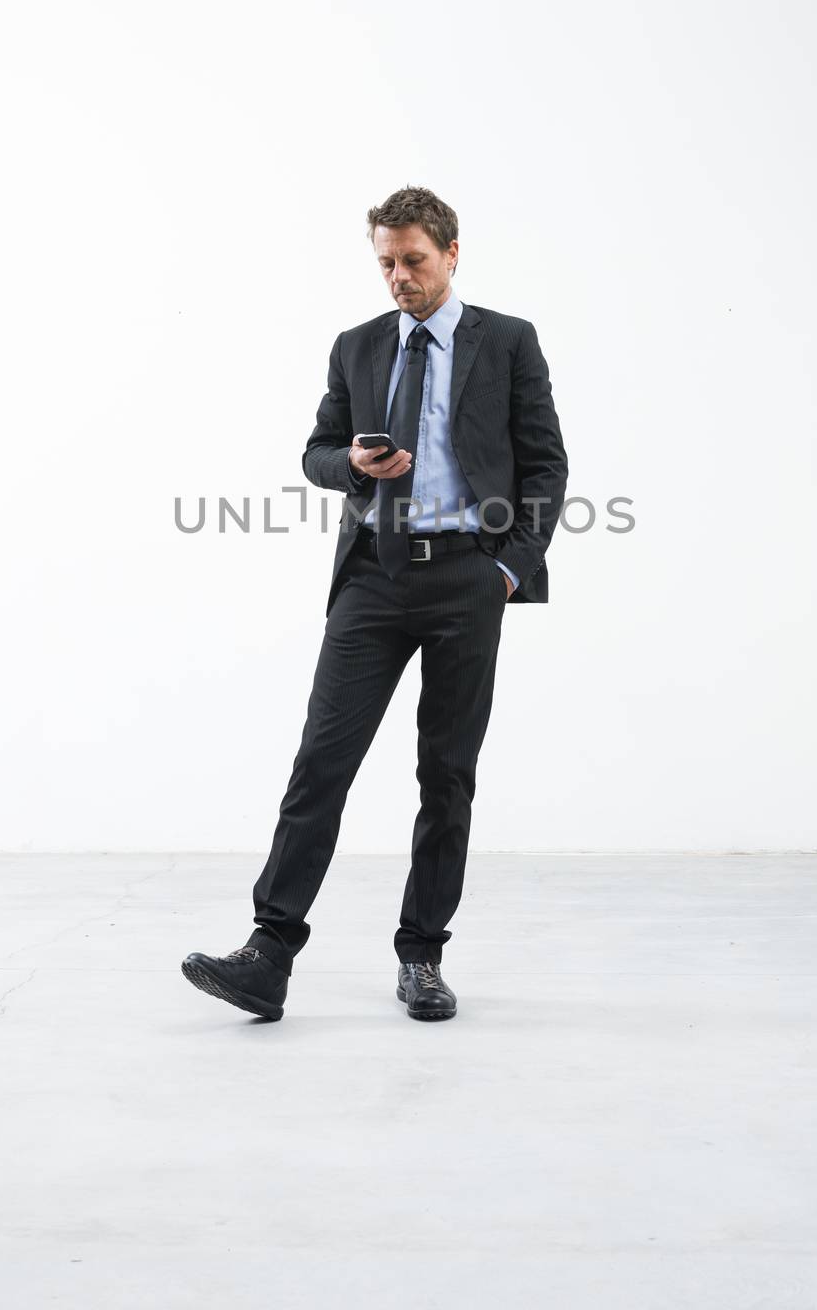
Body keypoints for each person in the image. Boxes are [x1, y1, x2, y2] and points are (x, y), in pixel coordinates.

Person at [182, 186, 568, 1022]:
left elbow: (545, 465)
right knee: (322, 760)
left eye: (414, 261)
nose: (399, 277)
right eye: (387, 263)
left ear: (452, 252)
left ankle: (422, 957)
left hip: (470, 576)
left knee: (446, 776)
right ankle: (268, 952)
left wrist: (510, 568)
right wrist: (355, 464)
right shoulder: (356, 347)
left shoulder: (507, 341)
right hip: (373, 577)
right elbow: (316, 452)